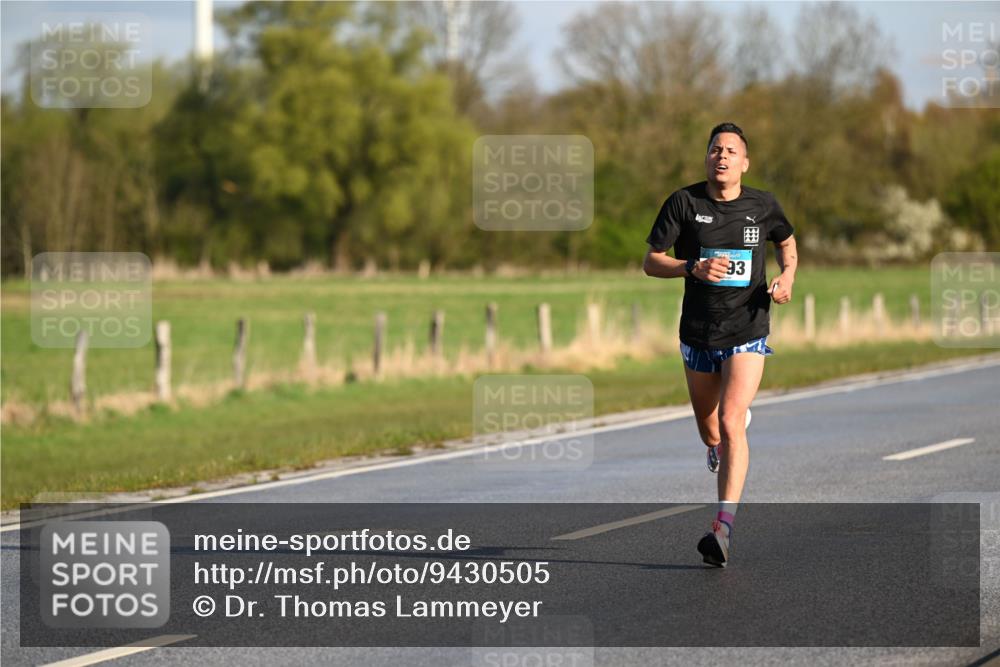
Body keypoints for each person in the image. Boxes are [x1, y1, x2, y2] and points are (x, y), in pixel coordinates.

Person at [642, 122, 798, 567]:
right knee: (711, 431)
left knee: (732, 422)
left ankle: (722, 530)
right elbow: (651, 262)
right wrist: (692, 267)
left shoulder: (763, 205)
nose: (722, 156)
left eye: (731, 150)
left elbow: (788, 245)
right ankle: (718, 441)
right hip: (697, 332)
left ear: (744, 163)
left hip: (748, 328)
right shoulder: (684, 202)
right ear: (706, 158)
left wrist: (787, 277)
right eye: (715, 149)